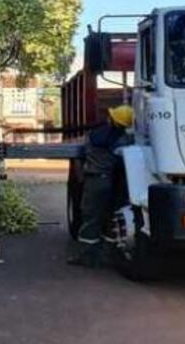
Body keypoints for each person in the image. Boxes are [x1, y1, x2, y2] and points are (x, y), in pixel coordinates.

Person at [68, 104, 135, 268]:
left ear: (112, 119)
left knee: (91, 217)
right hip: (112, 181)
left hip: (95, 180)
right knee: (110, 216)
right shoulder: (123, 140)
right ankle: (108, 255)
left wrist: (80, 174)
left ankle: (87, 256)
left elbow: (81, 154)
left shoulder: (94, 135)